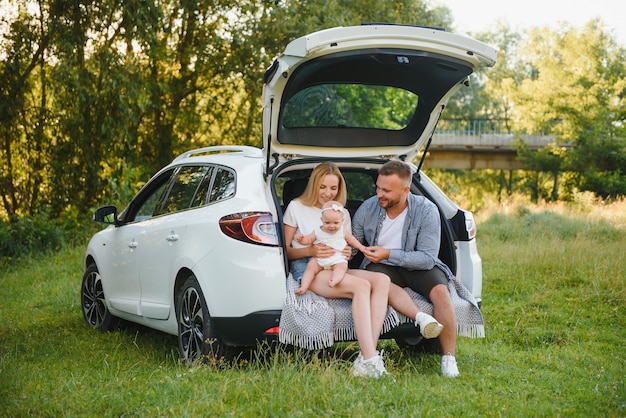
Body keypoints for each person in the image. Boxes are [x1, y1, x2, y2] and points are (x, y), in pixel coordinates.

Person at [352, 160, 460, 378]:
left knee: (441, 291)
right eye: (378, 187)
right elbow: (354, 244)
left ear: (405, 190)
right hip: (381, 265)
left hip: (416, 263)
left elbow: (427, 259)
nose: (379, 194)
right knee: (380, 281)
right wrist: (342, 250)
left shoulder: (427, 210)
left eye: (386, 190)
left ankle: (449, 358)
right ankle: (420, 318)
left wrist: (389, 253)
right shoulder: (368, 207)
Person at [283, 162, 390, 378]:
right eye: (323, 187)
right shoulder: (296, 207)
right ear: (314, 185)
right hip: (308, 267)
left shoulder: (342, 213)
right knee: (361, 286)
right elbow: (285, 251)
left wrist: (348, 252)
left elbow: (344, 243)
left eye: (333, 188)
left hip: (336, 264)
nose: (327, 193)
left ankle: (365, 355)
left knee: (382, 281)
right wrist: (309, 250)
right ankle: (371, 360)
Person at [294, 200, 368, 294]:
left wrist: (362, 247)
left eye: (336, 223)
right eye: (327, 223)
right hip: (320, 258)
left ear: (342, 221)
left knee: (342, 267)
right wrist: (301, 239)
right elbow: (308, 240)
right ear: (322, 220)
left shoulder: (342, 231)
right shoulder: (317, 231)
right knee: (310, 267)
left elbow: (352, 240)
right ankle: (304, 286)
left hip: (337, 258)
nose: (331, 226)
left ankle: (334, 279)